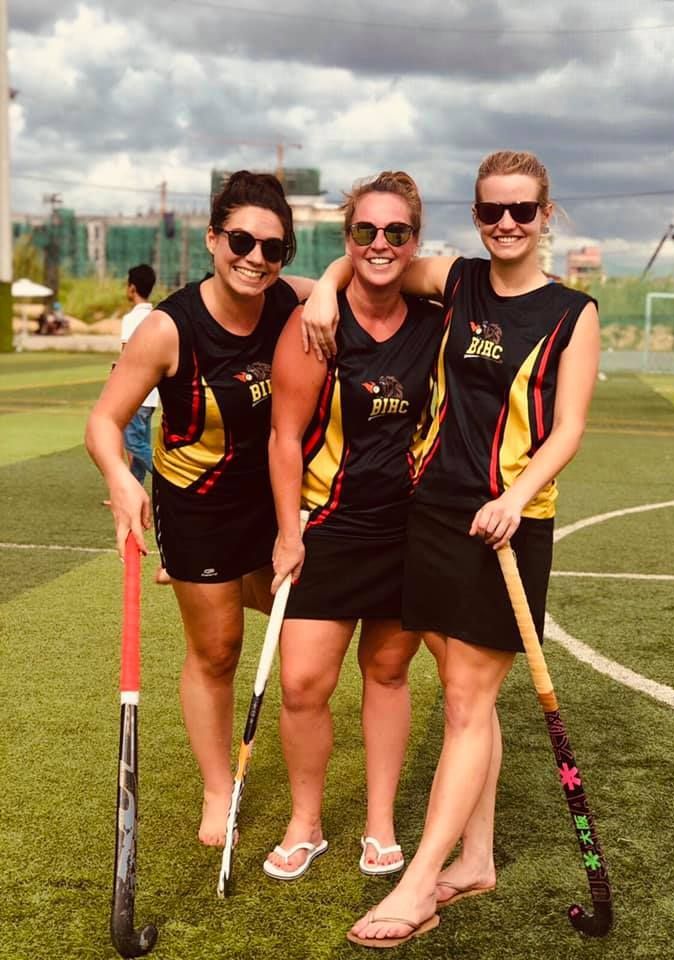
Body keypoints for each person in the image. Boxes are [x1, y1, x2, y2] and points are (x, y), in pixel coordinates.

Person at [303, 150, 600, 946]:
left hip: (505, 526)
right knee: (473, 700)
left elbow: (568, 425)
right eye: (492, 211)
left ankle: (418, 887)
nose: (507, 224)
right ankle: (474, 859)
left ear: (545, 215)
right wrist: (328, 291)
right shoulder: (458, 280)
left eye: (523, 211)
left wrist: (512, 496)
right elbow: (376, 255)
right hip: (429, 516)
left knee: (467, 704)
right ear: (476, 217)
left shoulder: (573, 312)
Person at [85, 171, 318, 846]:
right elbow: (105, 420)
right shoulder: (168, 328)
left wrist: (329, 289)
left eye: (273, 249)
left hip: (275, 501)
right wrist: (121, 477)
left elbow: (351, 281)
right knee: (217, 650)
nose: (255, 258)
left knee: (301, 627)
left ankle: (202, 584)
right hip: (200, 506)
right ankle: (219, 788)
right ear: (213, 238)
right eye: (241, 240)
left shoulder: (287, 300)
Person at [264, 172, 443, 881]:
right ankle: (305, 824)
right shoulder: (316, 324)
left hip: (409, 531)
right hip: (328, 527)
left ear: (414, 241)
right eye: (364, 231)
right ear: (347, 236)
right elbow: (284, 437)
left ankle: (379, 823)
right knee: (304, 683)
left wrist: (334, 276)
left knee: (389, 673)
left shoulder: (434, 319)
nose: (380, 243)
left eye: (396, 232)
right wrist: (286, 533)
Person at [120, 264, 158, 487]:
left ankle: (168, 478)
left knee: (133, 443)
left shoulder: (131, 319)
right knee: (141, 440)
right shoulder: (156, 316)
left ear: (132, 288)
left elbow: (126, 357)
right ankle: (133, 489)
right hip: (152, 393)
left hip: (135, 392)